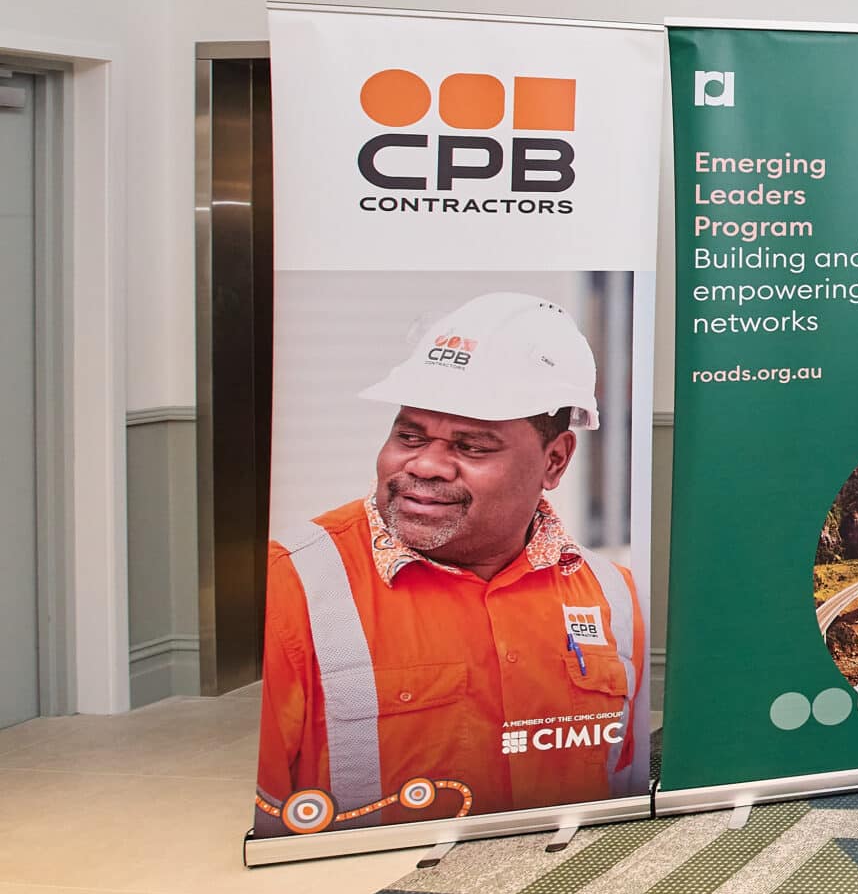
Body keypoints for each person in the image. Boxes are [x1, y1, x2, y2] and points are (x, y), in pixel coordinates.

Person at [254, 291, 648, 837]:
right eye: (409, 436)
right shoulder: (293, 586)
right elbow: (266, 821)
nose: (426, 465)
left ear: (554, 460)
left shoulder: (614, 597)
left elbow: (619, 793)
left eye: (471, 447)